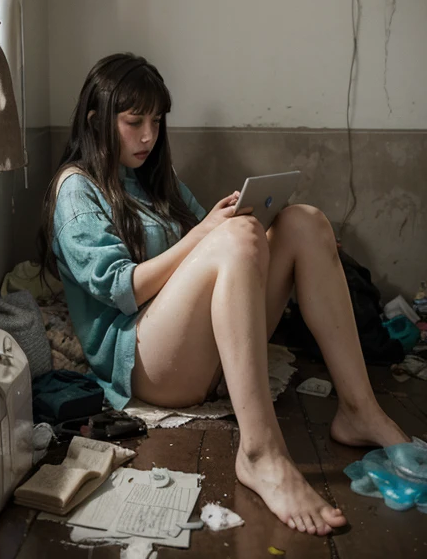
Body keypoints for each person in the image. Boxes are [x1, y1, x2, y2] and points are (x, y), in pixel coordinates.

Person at [40, 52, 408, 536]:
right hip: (144, 362)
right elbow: (120, 289)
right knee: (234, 238)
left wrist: (242, 220)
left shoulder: (156, 180)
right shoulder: (76, 188)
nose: (148, 136)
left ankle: (360, 410)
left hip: (198, 347)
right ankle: (258, 451)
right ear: (96, 120)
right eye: (134, 122)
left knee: (305, 223)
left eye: (156, 121)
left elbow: (216, 240)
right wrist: (208, 234)